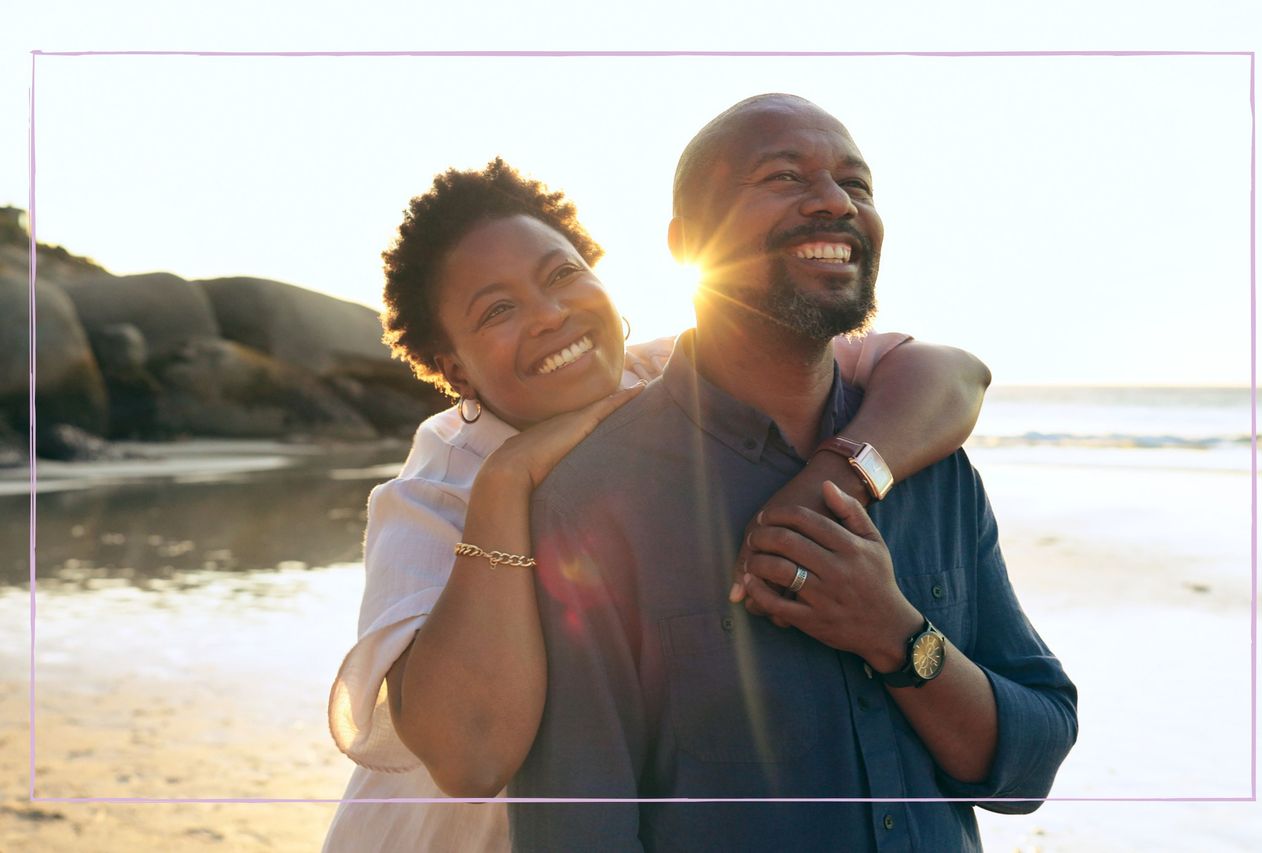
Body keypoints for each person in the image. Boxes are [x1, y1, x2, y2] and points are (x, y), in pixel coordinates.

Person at [324, 158, 992, 851]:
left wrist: (834, 477)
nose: (550, 315)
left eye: (561, 274)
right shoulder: (432, 497)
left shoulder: (670, 373)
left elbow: (951, 374)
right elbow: (473, 755)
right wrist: (507, 481)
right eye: (498, 309)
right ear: (455, 364)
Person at [507, 95, 1078, 851]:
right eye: (784, 176)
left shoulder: (934, 471)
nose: (836, 203)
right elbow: (577, 832)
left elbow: (1031, 763)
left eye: (858, 184)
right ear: (689, 244)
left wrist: (897, 635)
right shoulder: (594, 500)